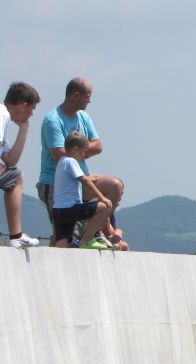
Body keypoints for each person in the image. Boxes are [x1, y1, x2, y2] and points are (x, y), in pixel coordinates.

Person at [38, 78, 125, 248]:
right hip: (57, 185)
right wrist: (83, 152)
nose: (89, 101)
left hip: (82, 178)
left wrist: (79, 150)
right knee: (62, 234)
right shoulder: (53, 119)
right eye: (87, 97)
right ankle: (56, 261)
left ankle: (98, 231)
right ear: (76, 95)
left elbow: (98, 146)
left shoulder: (84, 117)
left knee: (115, 186)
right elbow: (60, 154)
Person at [51, 132, 113, 249]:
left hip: (58, 211)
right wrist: (102, 197)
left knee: (62, 244)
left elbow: (71, 180)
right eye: (84, 151)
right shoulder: (71, 161)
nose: (85, 155)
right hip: (70, 208)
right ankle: (87, 240)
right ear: (75, 149)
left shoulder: (61, 162)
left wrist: (89, 178)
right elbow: (84, 180)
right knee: (104, 207)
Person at [1, 82, 41, 248]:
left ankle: (17, 236)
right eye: (32, 109)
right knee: (16, 177)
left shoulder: (4, 117)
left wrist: (24, 129)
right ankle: (16, 236)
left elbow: (10, 160)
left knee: (14, 173)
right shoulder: (1, 115)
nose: (31, 114)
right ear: (23, 106)